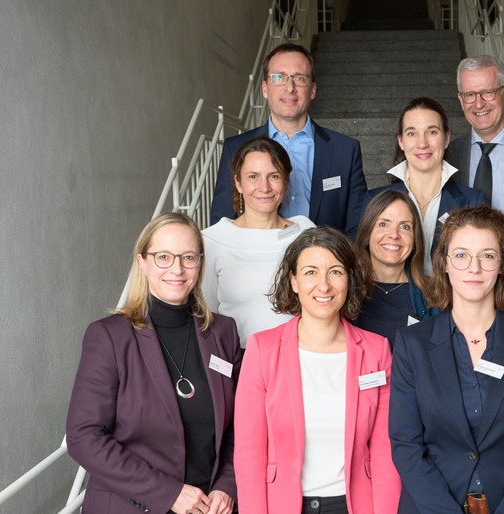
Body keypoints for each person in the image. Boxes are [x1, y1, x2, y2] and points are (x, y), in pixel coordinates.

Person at [389, 205, 504, 514]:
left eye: (487, 255)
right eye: (461, 255)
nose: (474, 268)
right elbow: (406, 446)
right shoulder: (411, 345)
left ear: (500, 265)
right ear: (444, 264)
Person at [66, 213, 241, 514]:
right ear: (142, 262)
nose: (177, 269)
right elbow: (84, 436)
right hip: (131, 506)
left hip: (210, 507)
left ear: (200, 263)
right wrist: (169, 493)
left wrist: (227, 484)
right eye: (163, 257)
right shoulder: (109, 337)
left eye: (188, 257)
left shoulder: (222, 332)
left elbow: (241, 424)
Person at [234, 226, 401, 514]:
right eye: (310, 272)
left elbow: (386, 453)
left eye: (335, 271)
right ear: (294, 281)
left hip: (354, 507)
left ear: (348, 279)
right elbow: (249, 456)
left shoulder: (376, 352)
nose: (323, 286)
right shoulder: (262, 350)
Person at [210, 43, 367, 236]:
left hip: (325, 262)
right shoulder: (235, 148)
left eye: (299, 78)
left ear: (313, 90)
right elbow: (222, 221)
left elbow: (358, 226)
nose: (290, 87)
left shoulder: (345, 151)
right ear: (265, 88)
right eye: (279, 77)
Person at [202, 137, 315, 348]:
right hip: (239, 361)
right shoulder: (212, 240)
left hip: (299, 356)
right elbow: (208, 315)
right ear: (238, 182)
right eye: (253, 176)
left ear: (286, 181)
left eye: (273, 176)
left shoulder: (306, 232)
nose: (264, 187)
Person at [365, 97, 486, 274]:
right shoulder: (373, 200)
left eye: (432, 132)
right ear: (401, 142)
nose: (422, 143)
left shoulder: (473, 201)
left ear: (446, 139)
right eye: (412, 133)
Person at [445, 55, 504, 213]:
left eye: (488, 92)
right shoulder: (448, 155)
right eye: (469, 95)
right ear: (461, 100)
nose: (479, 104)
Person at [352, 189, 434, 340]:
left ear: (415, 239)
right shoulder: (347, 290)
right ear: (367, 232)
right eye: (383, 224)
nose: (394, 234)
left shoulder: (433, 296)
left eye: (405, 227)